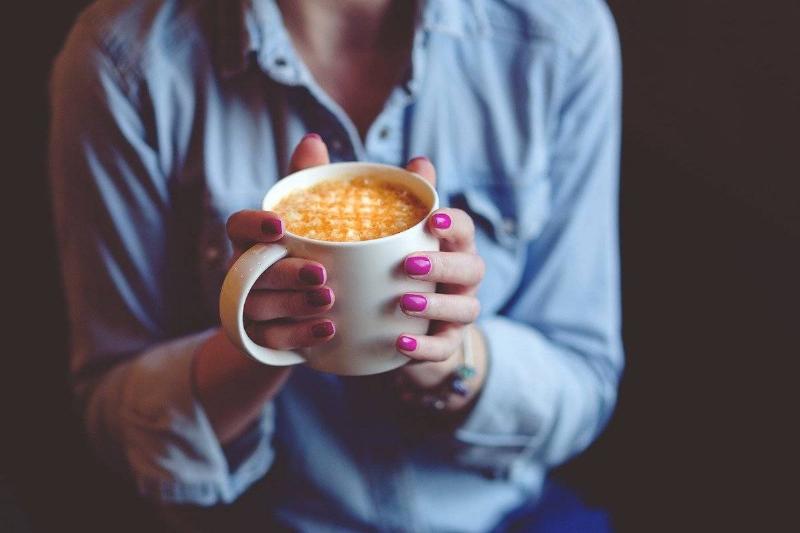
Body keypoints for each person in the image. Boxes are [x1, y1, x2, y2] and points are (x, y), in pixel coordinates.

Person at [49, 0, 622, 531]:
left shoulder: (559, 35)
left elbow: (585, 380)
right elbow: (110, 420)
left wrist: (451, 357)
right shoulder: (126, 60)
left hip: (505, 518)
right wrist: (258, 345)